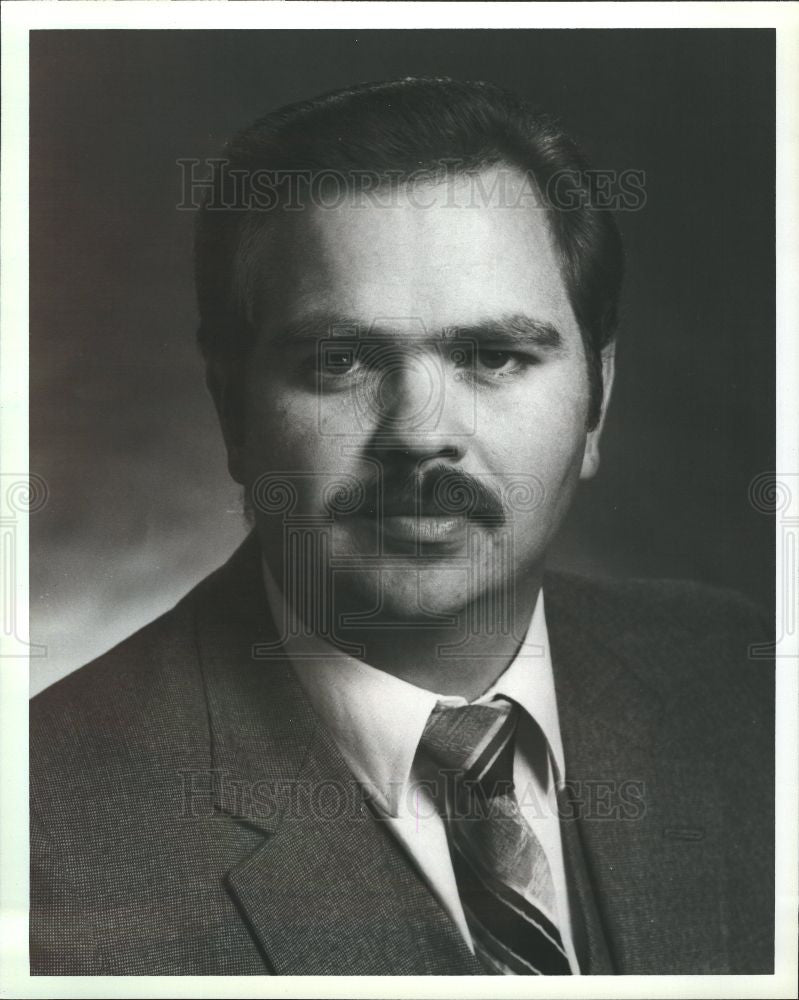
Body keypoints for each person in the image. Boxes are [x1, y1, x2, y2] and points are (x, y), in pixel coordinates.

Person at [29, 77, 773, 976]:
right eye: (338, 360)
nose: (419, 434)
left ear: (596, 404)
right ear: (232, 409)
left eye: (493, 356)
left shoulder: (741, 683)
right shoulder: (41, 840)